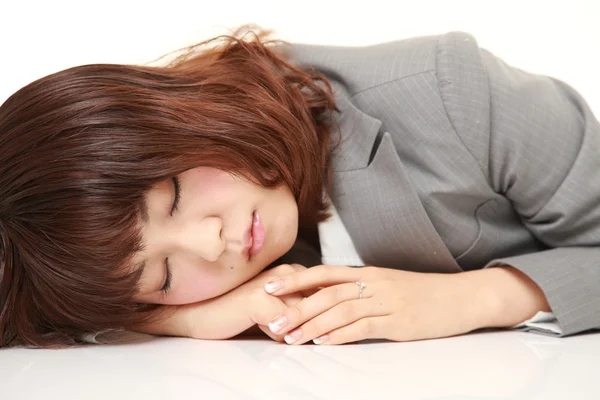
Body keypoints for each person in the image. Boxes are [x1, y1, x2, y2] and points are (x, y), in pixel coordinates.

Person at [1, 25, 598, 349]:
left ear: (177, 115)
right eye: (162, 276)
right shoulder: (93, 273)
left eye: (176, 197)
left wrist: (477, 299)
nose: (209, 245)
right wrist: (179, 320)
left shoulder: (454, 95)